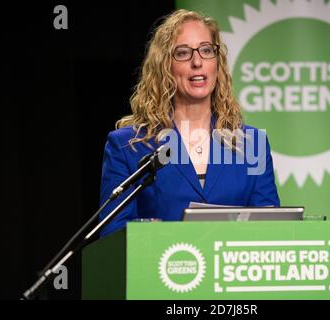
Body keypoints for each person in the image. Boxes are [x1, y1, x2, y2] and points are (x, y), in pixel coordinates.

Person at [99, 9, 280, 237]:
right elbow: (114, 234)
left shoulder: (252, 144)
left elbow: (271, 228)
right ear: (165, 66)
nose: (197, 62)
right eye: (183, 53)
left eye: (206, 50)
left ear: (218, 62)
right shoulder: (128, 146)